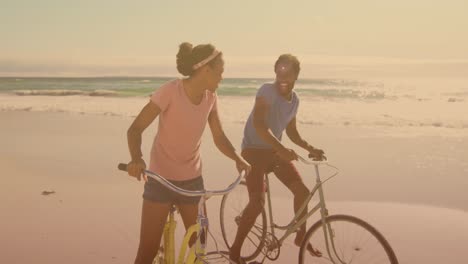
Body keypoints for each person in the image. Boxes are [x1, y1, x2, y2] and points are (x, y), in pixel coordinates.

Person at [125, 42, 251, 264]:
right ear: (205, 70)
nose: (222, 78)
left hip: (192, 182)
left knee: (199, 247)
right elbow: (135, 129)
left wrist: (237, 158)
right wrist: (137, 158)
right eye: (220, 72)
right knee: (148, 251)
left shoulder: (211, 98)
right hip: (160, 179)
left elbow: (219, 137)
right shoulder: (171, 91)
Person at [229, 54, 326, 263]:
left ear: (296, 76)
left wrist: (310, 147)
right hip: (253, 152)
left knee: (302, 191)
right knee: (257, 202)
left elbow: (292, 132)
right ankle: (235, 250)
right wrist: (281, 148)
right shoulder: (266, 91)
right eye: (279, 71)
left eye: (288, 73)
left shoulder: (295, 100)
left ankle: (301, 236)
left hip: (274, 153)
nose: (282, 76)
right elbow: (260, 125)